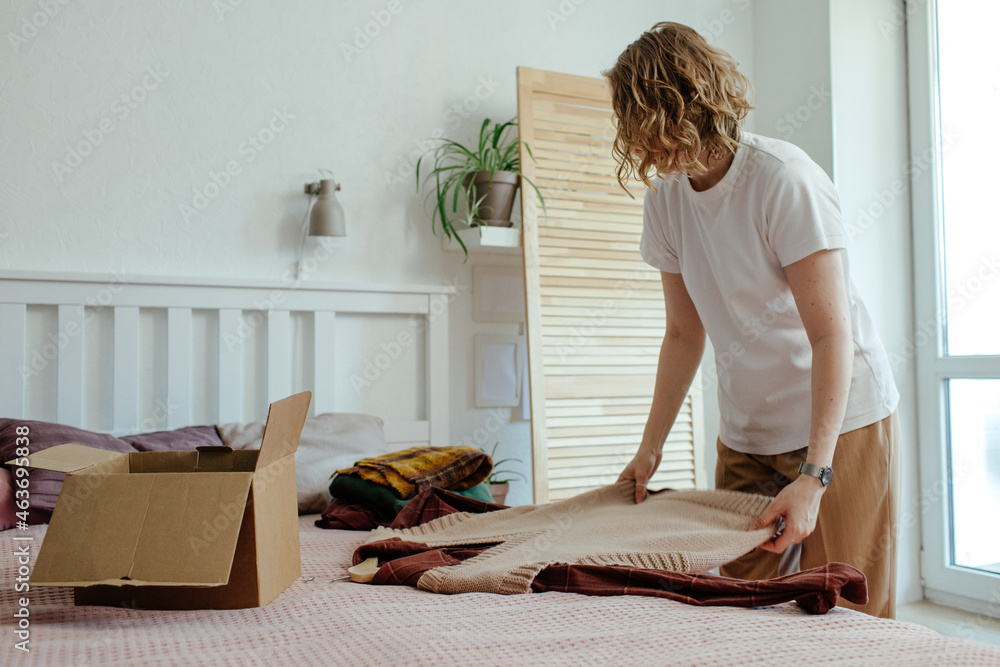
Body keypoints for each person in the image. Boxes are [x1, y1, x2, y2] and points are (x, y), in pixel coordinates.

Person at [608, 22, 901, 618]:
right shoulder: (666, 200)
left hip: (840, 424)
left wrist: (814, 476)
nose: (640, 145)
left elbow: (831, 334)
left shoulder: (783, 179)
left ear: (687, 106)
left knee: (847, 609)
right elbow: (682, 333)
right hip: (747, 431)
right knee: (742, 609)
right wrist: (649, 449)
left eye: (646, 121)